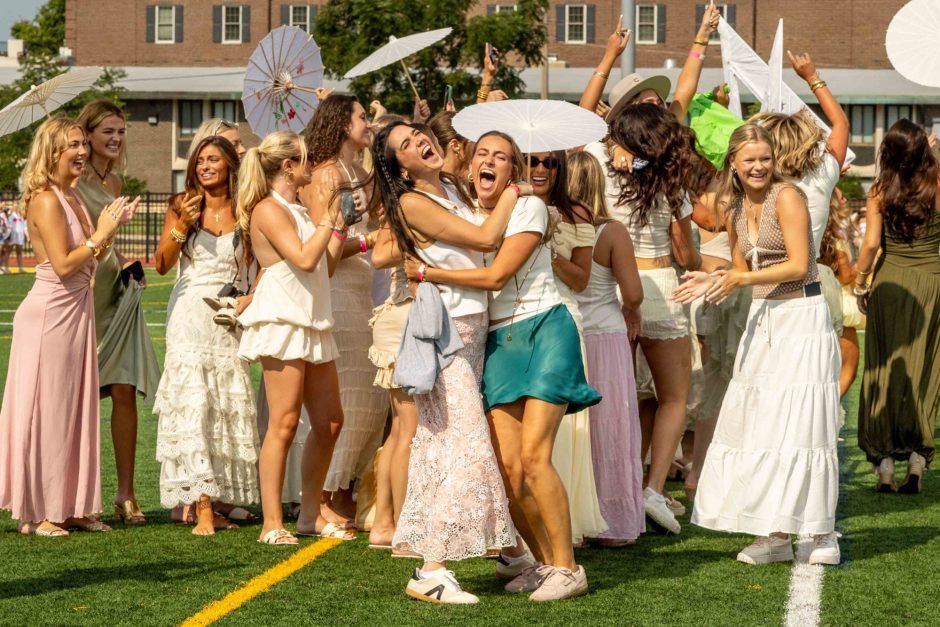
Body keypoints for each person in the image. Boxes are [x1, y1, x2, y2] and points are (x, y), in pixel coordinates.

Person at [406, 131, 601, 601]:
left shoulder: (528, 207)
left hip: (544, 330)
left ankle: (570, 568)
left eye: (502, 157)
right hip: (499, 342)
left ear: (514, 169)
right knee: (508, 468)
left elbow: (495, 275)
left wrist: (427, 273)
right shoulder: (472, 214)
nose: (490, 161)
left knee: (534, 457)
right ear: (470, 165)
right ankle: (545, 564)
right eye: (482, 154)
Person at [675, 123, 841, 566]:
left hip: (802, 316)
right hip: (763, 317)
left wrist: (739, 277)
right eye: (749, 159)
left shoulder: (786, 197)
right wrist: (709, 279)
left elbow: (799, 264)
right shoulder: (731, 209)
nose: (759, 166)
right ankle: (775, 534)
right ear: (733, 162)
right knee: (762, 422)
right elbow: (736, 267)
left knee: (805, 423)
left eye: (765, 158)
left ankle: (821, 532)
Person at [373, 122, 517, 603]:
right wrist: (519, 192)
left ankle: (510, 550)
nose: (419, 142)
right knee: (466, 442)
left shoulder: (451, 187)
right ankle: (430, 568)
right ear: (400, 167)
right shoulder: (412, 203)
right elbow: (482, 239)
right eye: (406, 145)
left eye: (417, 133)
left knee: (448, 444)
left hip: (473, 331)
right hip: (447, 335)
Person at [0, 117, 135, 536]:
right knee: (49, 410)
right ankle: (38, 512)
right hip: (50, 315)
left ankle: (72, 505)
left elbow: (90, 256)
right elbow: (61, 264)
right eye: (72, 146)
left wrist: (112, 229)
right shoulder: (45, 200)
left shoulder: (73, 197)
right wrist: (103, 233)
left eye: (81, 144)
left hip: (78, 311)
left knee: (76, 409)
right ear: (52, 152)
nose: (81, 152)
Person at [236, 131, 349, 545]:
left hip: (312, 317)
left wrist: (336, 227)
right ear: (289, 167)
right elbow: (301, 258)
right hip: (283, 318)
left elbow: (324, 265)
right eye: (306, 159)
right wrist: (325, 221)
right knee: (283, 423)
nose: (312, 166)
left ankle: (309, 513)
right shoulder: (268, 208)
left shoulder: (298, 208)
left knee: (331, 421)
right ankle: (271, 523)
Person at [152, 136, 260, 535]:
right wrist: (181, 226)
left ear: (231, 165)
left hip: (227, 314)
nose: (204, 167)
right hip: (189, 312)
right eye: (199, 161)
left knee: (221, 405)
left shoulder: (245, 208)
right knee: (194, 402)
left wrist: (247, 300)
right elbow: (162, 263)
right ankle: (199, 507)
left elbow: (260, 262)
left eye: (213, 159)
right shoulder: (182, 205)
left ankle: (218, 499)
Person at [603, 103, 701, 534]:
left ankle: (615, 487)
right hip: (662, 287)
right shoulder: (671, 184)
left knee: (618, 397)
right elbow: (686, 255)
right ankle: (654, 489)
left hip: (614, 290)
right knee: (673, 398)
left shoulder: (605, 178)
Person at [300, 94, 388, 526]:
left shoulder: (362, 171)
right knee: (349, 391)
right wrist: (371, 242)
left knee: (371, 394)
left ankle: (349, 484)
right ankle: (325, 493)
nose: (367, 124)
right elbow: (326, 255)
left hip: (365, 286)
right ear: (340, 123)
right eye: (360, 117)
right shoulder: (327, 175)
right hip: (337, 289)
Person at [75, 99, 162, 525]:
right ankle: (76, 495)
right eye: (107, 130)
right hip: (86, 293)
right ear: (87, 134)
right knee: (82, 396)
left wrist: (127, 260)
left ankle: (125, 494)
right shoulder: (72, 182)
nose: (115, 138)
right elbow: (84, 239)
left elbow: (109, 242)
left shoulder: (115, 182)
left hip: (117, 292)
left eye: (121, 131)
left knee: (124, 389)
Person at [856, 119, 940, 494]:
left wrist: (859, 281)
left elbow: (871, 245)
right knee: (924, 368)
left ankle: (886, 465)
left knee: (883, 369)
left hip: (889, 282)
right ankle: (918, 461)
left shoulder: (879, 190)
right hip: (932, 281)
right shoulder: (937, 183)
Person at [530, 149, 607, 545]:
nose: (540, 169)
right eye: (532, 161)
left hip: (561, 318)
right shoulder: (505, 206)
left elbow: (581, 280)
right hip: (511, 323)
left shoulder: (576, 214)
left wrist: (548, 249)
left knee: (558, 431)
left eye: (550, 162)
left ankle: (562, 524)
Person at [568, 150, 646, 545]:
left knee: (575, 431)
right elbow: (633, 292)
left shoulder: (556, 228)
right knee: (612, 426)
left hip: (569, 335)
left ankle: (575, 518)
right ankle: (613, 523)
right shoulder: (611, 232)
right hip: (607, 337)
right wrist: (631, 310)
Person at [818, 189, 862, 399]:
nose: (845, 199)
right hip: (840, 303)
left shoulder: (816, 235)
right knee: (848, 367)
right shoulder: (836, 238)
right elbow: (845, 276)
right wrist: (864, 268)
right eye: (841, 197)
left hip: (819, 301)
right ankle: (830, 412)